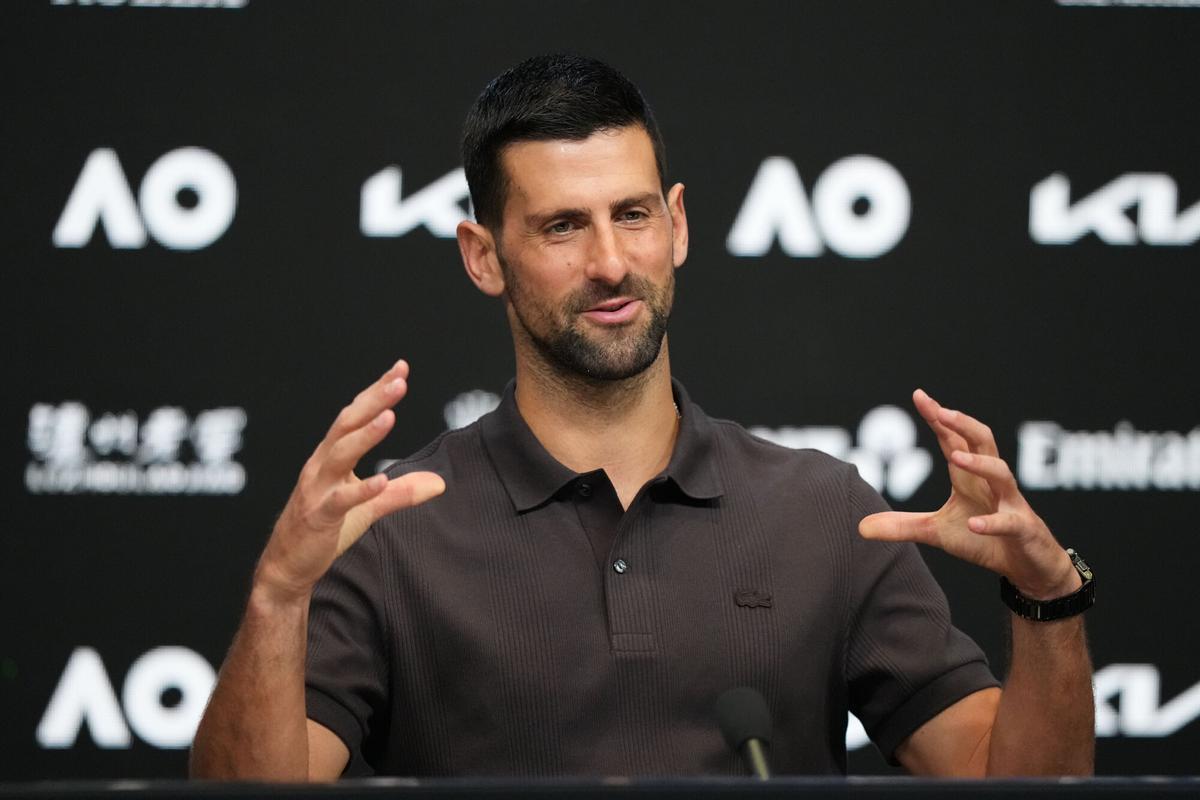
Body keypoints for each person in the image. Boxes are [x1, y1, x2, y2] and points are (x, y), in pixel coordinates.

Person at [189, 54, 1094, 780]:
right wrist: (276, 600)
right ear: (482, 256)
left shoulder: (824, 511)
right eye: (561, 228)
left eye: (632, 216)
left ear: (680, 226)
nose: (613, 263)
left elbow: (1006, 776)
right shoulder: (391, 529)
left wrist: (1047, 604)